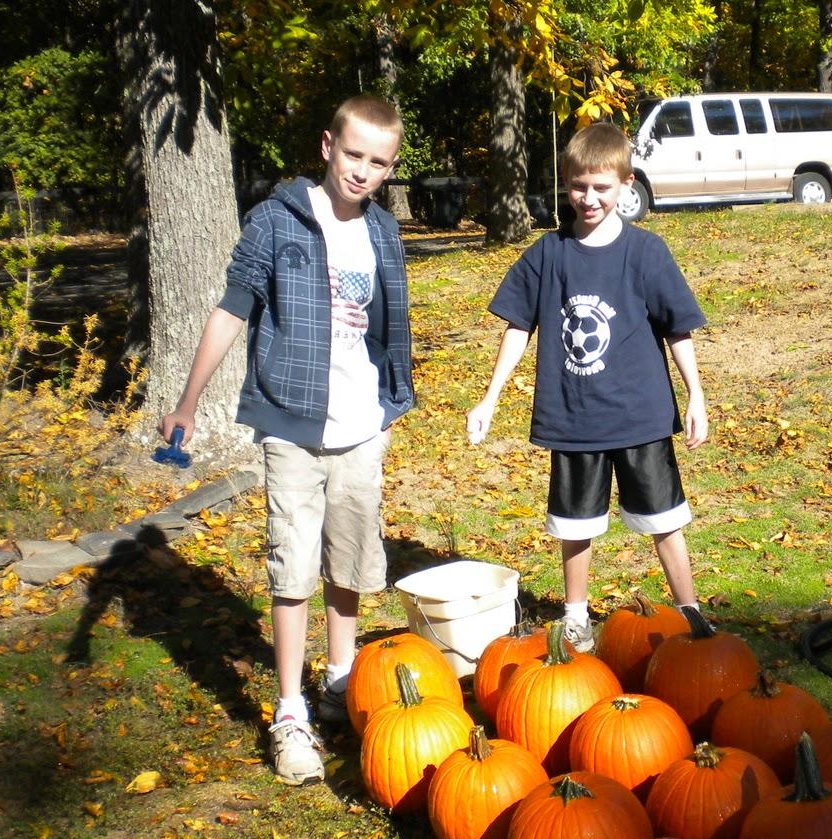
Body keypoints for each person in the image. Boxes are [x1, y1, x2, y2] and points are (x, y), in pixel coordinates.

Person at [159, 95, 412, 785]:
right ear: (328, 146)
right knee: (292, 563)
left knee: (350, 558)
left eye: (378, 163)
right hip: (293, 426)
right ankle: (291, 709)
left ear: (390, 170)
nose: (363, 171)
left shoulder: (384, 233)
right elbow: (232, 307)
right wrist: (187, 400)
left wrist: (393, 400)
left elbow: (393, 323)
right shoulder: (276, 221)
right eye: (354, 155)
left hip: (363, 428)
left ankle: (339, 680)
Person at [467, 122, 709, 650]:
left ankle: (690, 611)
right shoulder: (547, 255)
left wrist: (696, 395)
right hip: (574, 419)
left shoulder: (646, 253)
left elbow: (678, 328)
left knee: (664, 518)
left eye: (602, 187)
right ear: (566, 185)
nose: (590, 198)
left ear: (626, 185)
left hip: (640, 417)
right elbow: (517, 327)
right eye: (579, 186)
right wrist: (490, 397)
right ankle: (576, 616)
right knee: (575, 525)